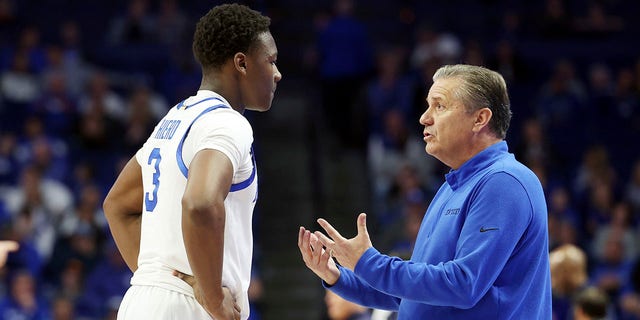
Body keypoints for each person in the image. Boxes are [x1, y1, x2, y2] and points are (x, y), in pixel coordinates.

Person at [298, 64, 551, 319]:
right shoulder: (452, 187)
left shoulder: (504, 181)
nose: (424, 117)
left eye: (439, 106)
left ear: (480, 119)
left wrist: (369, 263)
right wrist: (338, 275)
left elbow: (464, 285)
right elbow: (415, 293)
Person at [103, 3, 281, 320]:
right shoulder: (228, 123)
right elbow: (200, 203)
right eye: (270, 61)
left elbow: (117, 205)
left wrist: (159, 277)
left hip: (141, 301)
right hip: (188, 309)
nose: (277, 73)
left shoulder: (174, 118)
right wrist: (211, 297)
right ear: (241, 63)